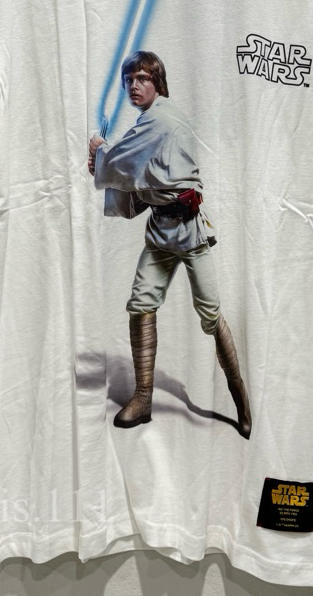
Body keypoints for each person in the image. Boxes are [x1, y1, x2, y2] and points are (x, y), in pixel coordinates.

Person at [88, 50, 252, 439]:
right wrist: (109, 160)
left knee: (210, 315)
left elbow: (122, 160)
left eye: (142, 78)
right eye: (129, 80)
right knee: (141, 303)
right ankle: (143, 398)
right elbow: (141, 172)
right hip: (161, 231)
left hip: (190, 233)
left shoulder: (160, 118)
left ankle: (242, 402)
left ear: (157, 82)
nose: (133, 86)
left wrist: (99, 148)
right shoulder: (149, 121)